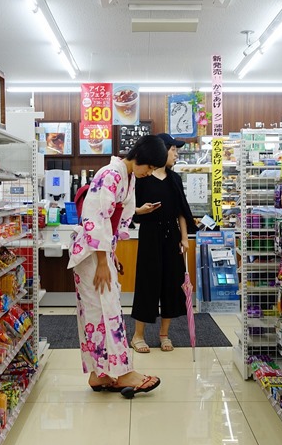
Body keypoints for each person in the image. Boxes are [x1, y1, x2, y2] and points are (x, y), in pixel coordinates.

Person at [67, 134, 168, 396]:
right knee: (106, 311)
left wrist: (111, 254)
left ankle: (98, 375)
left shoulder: (127, 176)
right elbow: (95, 218)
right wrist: (102, 260)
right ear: (142, 158)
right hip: (91, 254)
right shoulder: (110, 174)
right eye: (149, 167)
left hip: (100, 251)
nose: (149, 173)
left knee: (95, 313)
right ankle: (123, 374)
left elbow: (116, 218)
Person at [130, 133, 199, 353]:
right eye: (174, 150)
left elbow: (181, 211)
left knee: (172, 284)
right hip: (150, 234)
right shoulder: (141, 177)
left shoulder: (174, 178)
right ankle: (138, 335)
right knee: (147, 283)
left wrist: (184, 237)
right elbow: (130, 209)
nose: (176, 154)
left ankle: (164, 334)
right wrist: (141, 211)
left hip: (173, 236)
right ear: (162, 151)